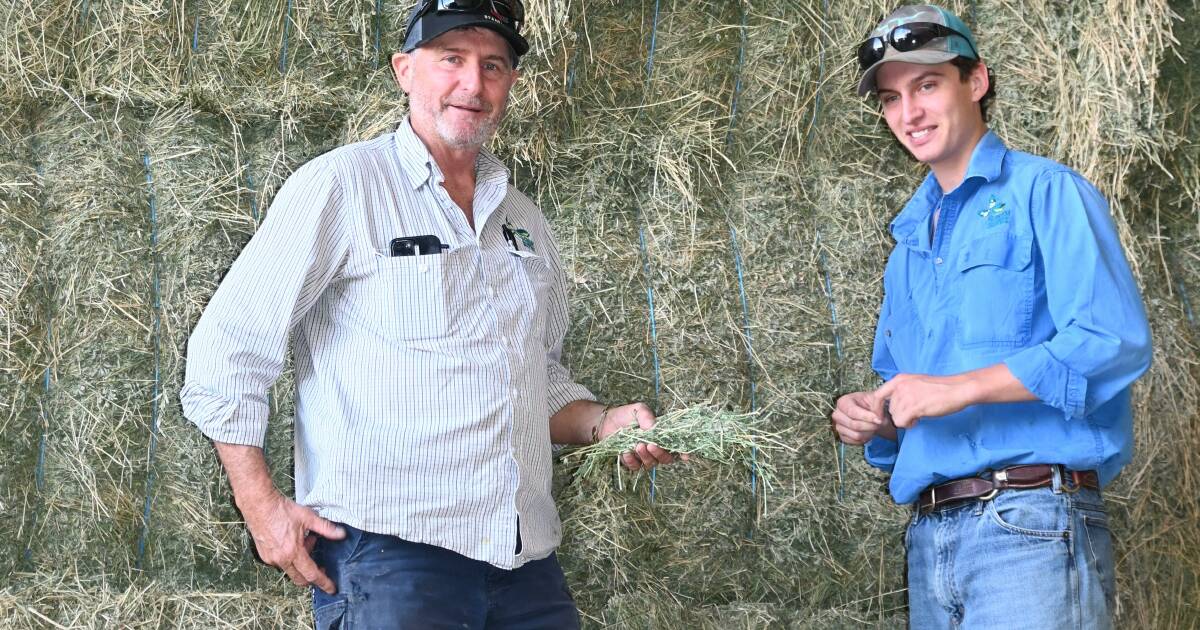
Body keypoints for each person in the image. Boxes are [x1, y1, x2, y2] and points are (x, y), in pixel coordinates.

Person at [182, 1, 680, 627]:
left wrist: (606, 423)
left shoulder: (522, 219)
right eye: (452, 59)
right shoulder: (343, 186)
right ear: (405, 70)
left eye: (492, 66)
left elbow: (536, 381)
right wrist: (261, 507)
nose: (473, 83)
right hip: (392, 560)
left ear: (509, 85)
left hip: (524, 562)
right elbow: (228, 349)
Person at [831, 5, 1152, 628]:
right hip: (930, 540)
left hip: (1029, 526)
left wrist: (957, 389)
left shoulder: (1047, 192)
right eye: (893, 99)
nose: (910, 114)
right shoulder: (907, 248)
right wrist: (874, 416)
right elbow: (911, 402)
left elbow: (1112, 340)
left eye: (927, 86)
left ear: (975, 81)